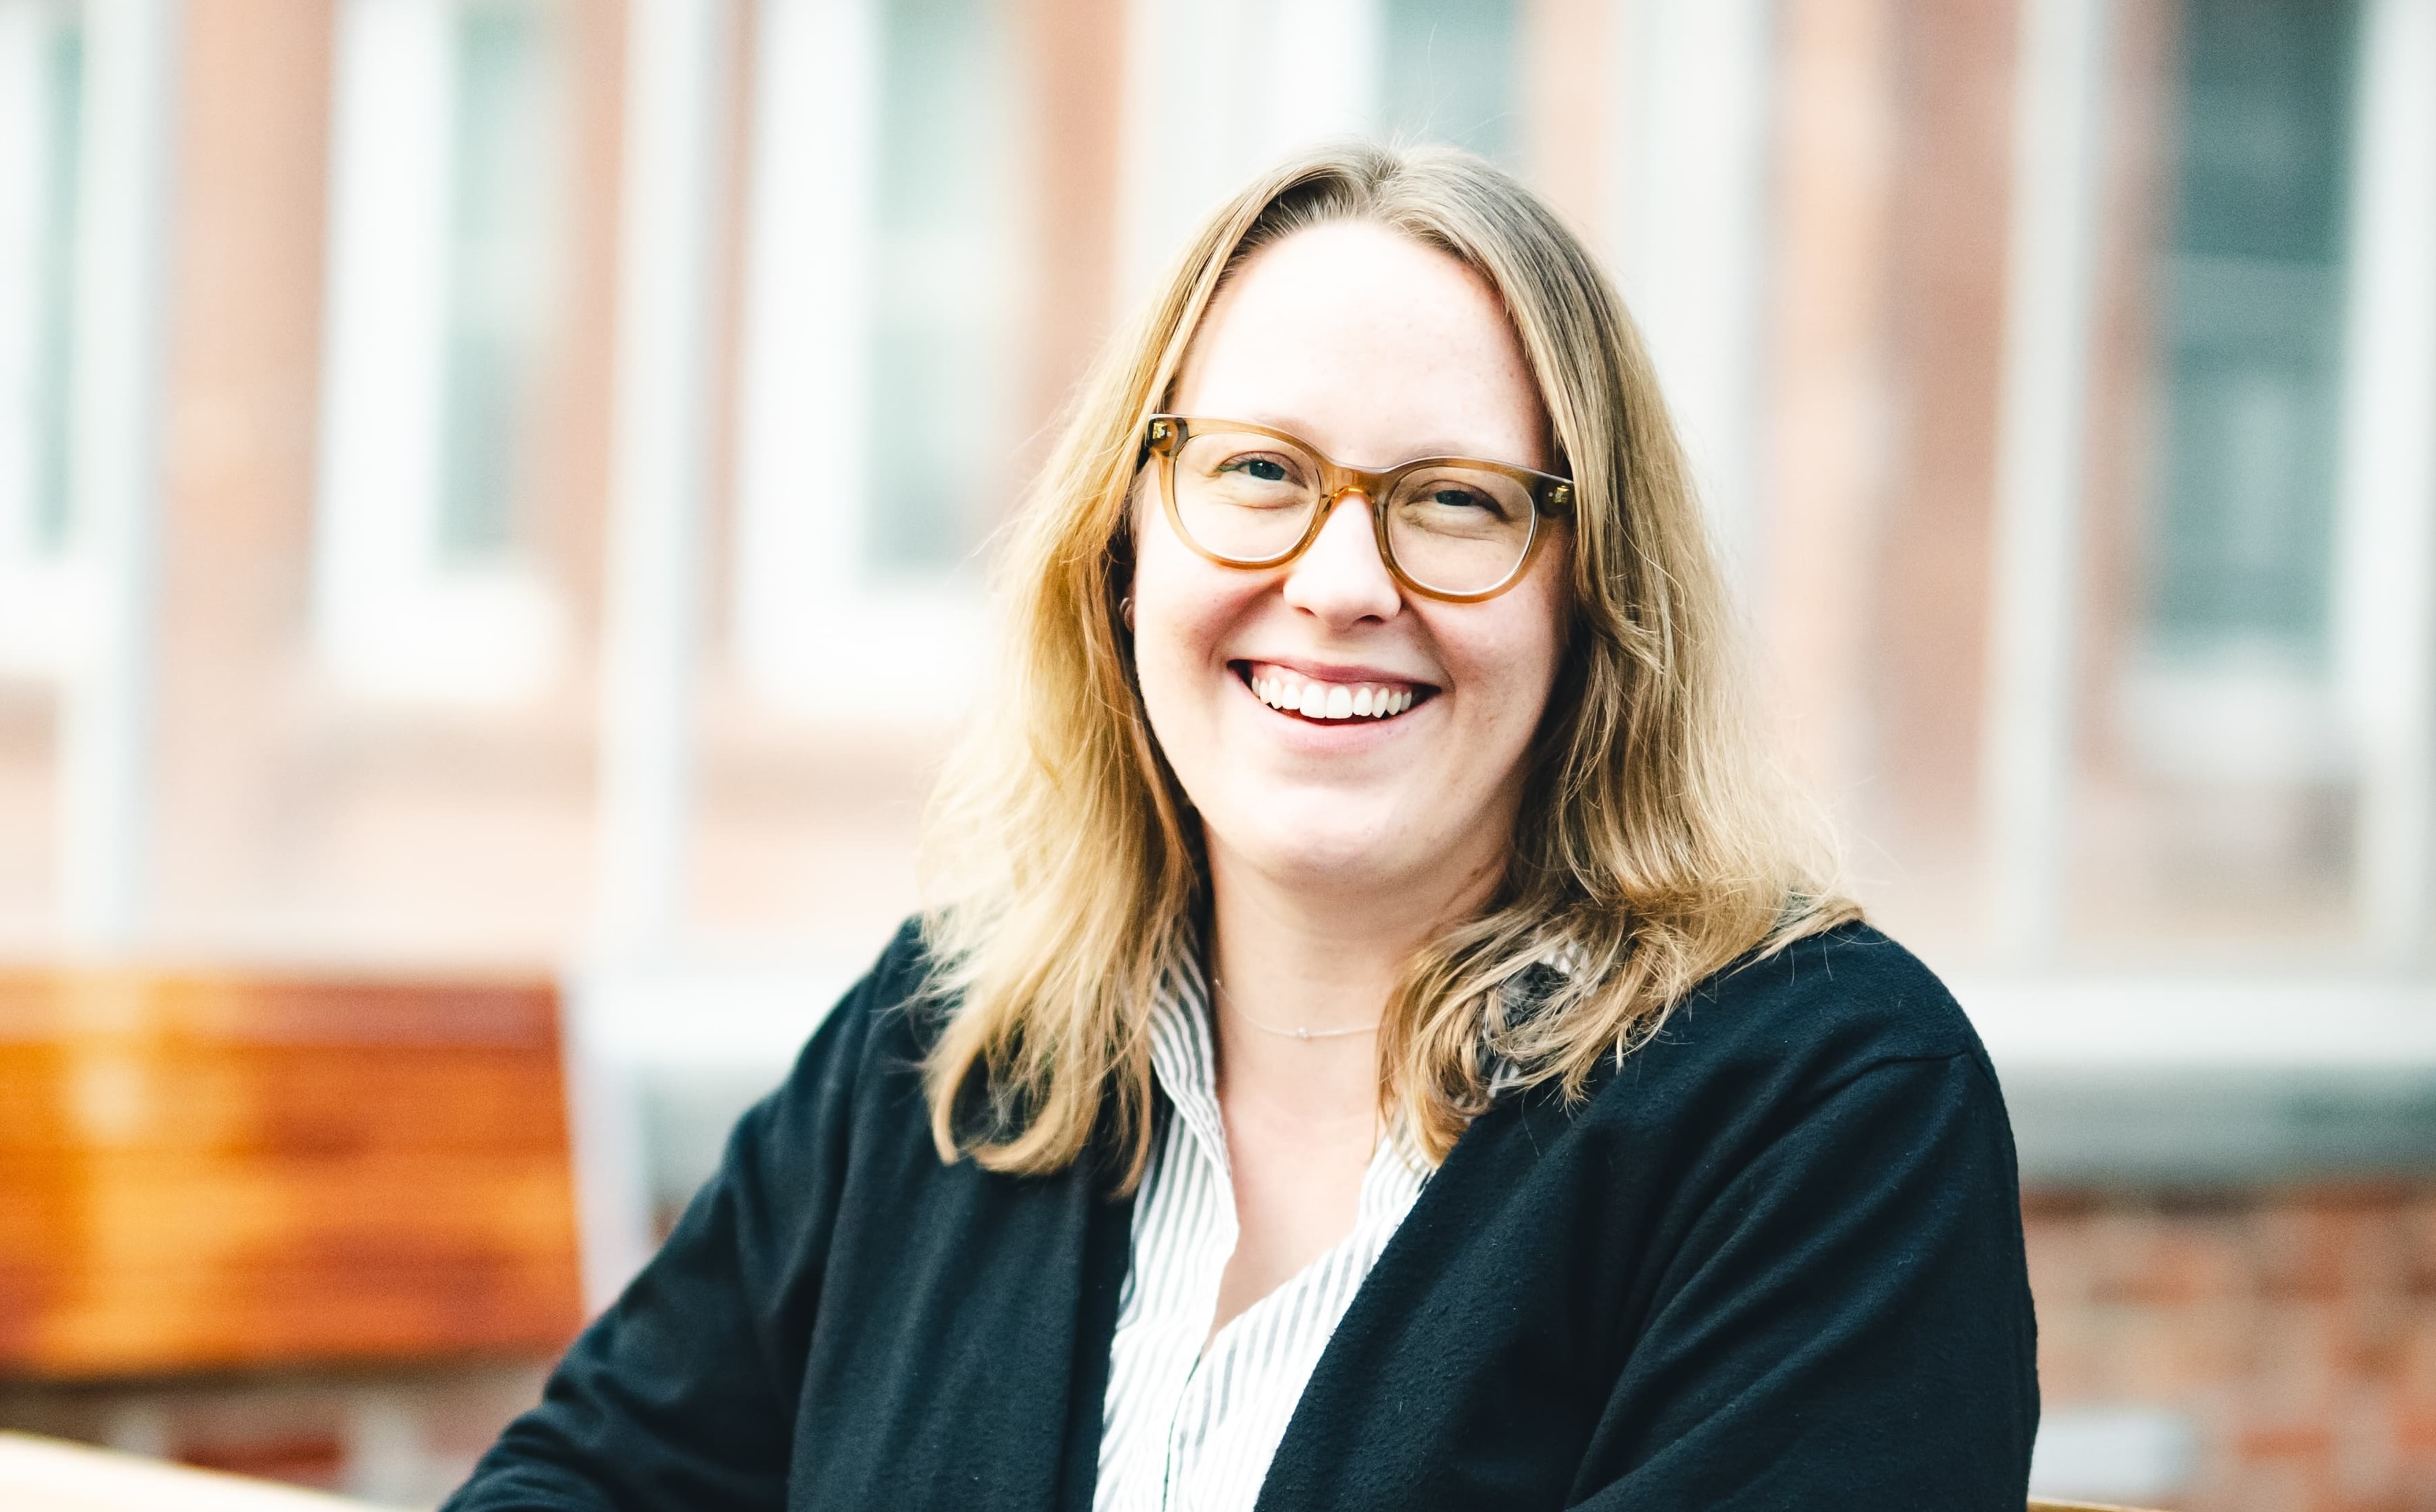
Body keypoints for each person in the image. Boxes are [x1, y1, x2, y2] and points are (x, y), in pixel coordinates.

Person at [448, 143, 2038, 1511]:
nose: (1340, 582)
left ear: (1593, 596)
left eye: (1456, 499)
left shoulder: (1821, 1111)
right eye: (1258, 470)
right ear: (1124, 546)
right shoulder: (949, 1039)